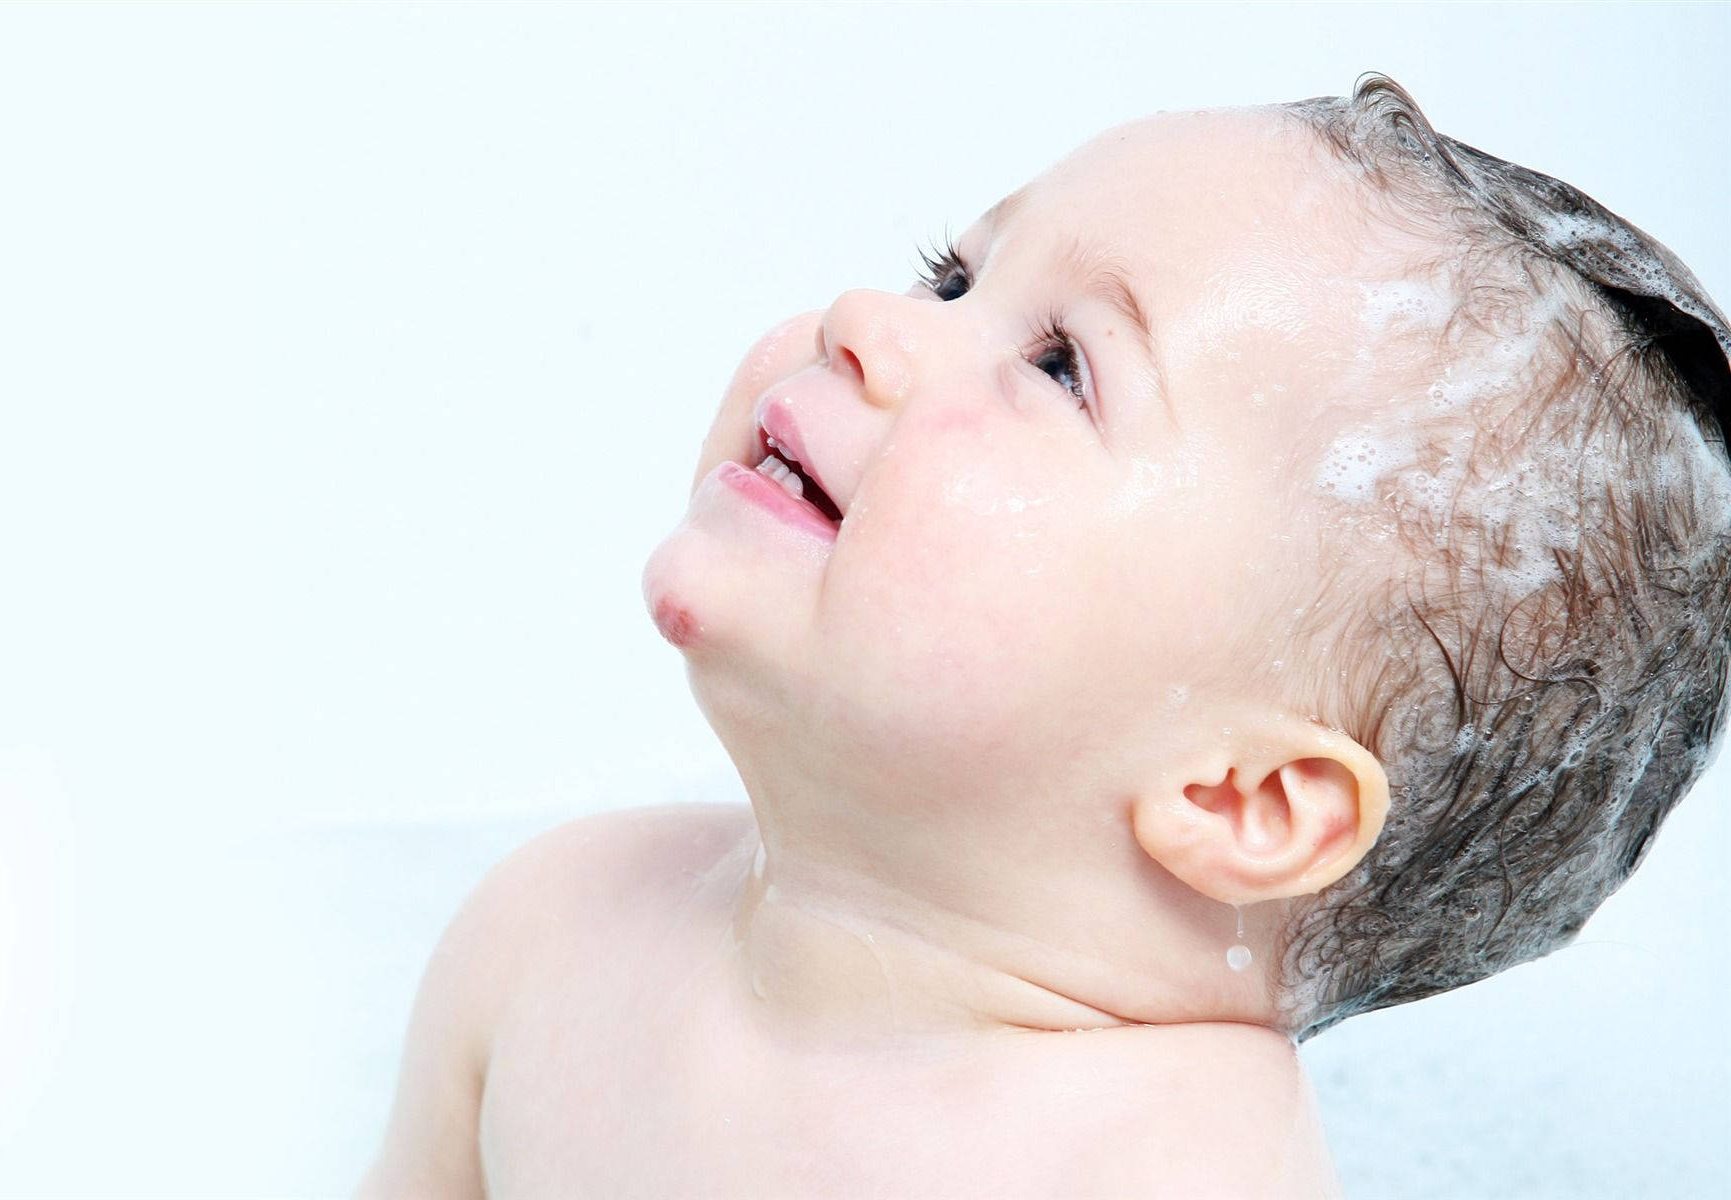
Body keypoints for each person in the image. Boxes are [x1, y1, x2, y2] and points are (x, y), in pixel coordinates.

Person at [358, 72, 1731, 1198]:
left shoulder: (1160, 1176)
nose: (866, 321)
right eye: (951, 277)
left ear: (1243, 796)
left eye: (1061, 363)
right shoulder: (548, 934)